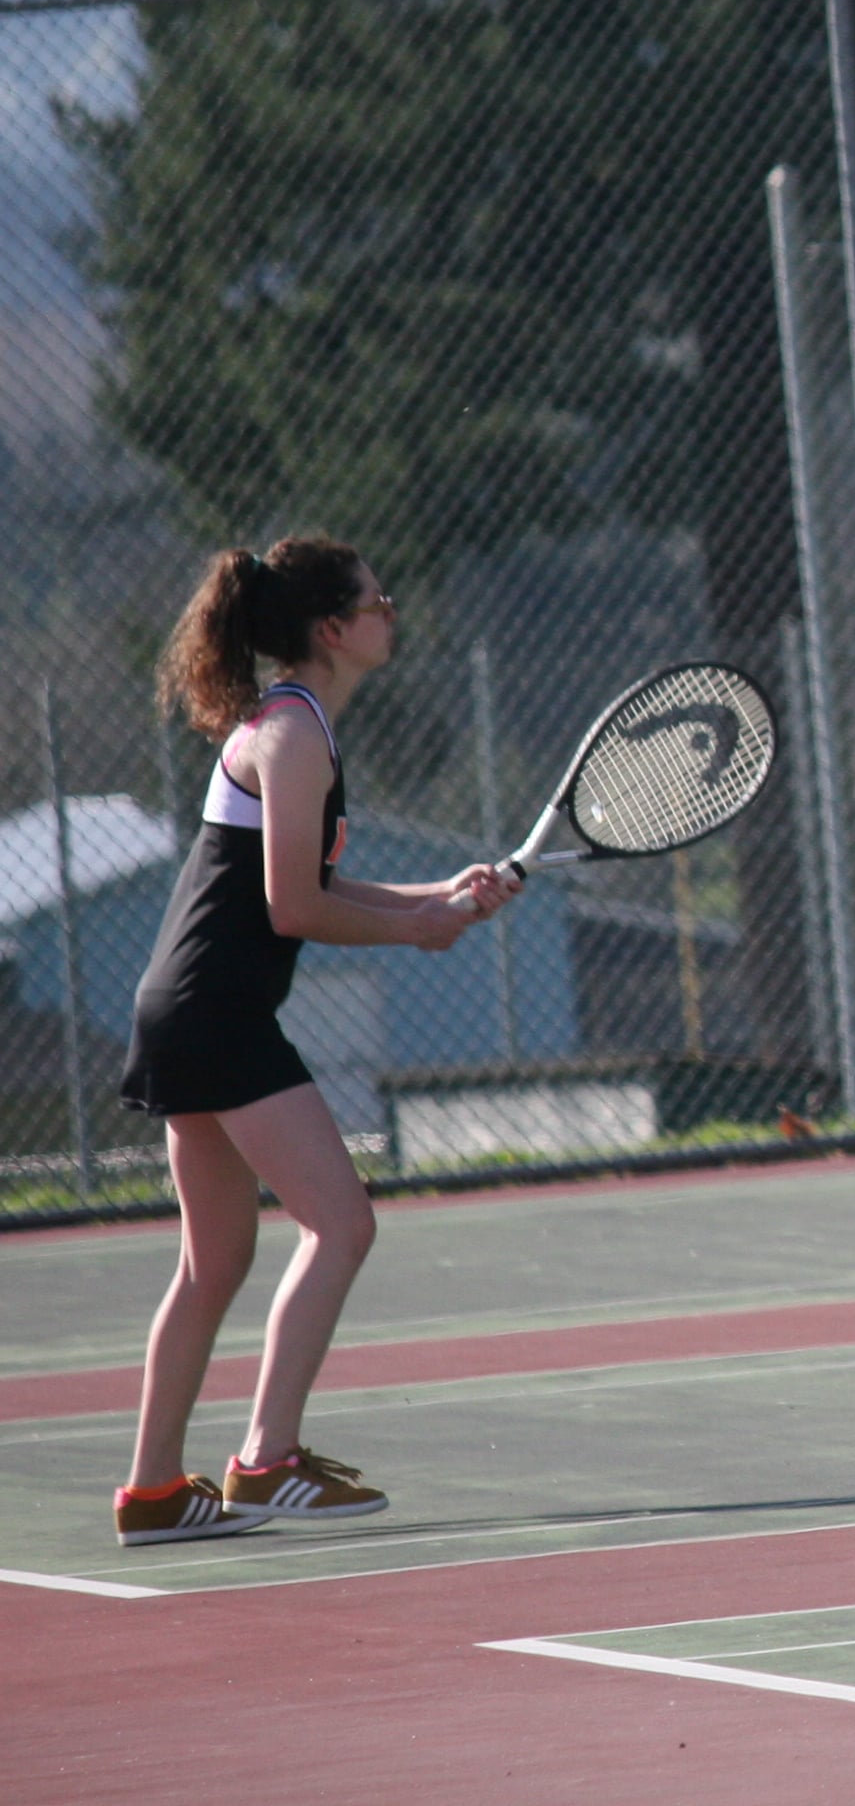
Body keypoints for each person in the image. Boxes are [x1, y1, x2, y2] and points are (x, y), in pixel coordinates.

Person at [113, 537, 511, 1547]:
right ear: (332, 628)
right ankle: (268, 1459)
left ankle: (155, 1490)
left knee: (216, 1260)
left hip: (189, 1006)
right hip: (217, 1013)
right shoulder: (292, 736)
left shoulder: (294, 726)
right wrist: (416, 927)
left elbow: (308, 891)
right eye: (379, 598)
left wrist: (439, 893)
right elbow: (293, 905)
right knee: (341, 1222)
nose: (392, 611)